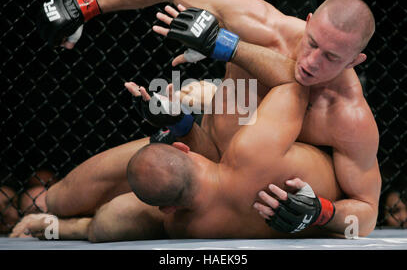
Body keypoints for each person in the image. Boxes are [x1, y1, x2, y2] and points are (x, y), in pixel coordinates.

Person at [36, 0, 380, 236]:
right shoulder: (263, 27)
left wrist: (322, 212)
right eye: (312, 42)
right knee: (58, 198)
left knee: (116, 218)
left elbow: (366, 213)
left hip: (238, 200)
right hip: (195, 154)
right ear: (307, 22)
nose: (312, 61)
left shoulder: (348, 117)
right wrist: (82, 6)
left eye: (332, 57)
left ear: (355, 61)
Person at [11, 79, 342, 241]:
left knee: (111, 211)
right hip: (312, 183)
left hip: (233, 153)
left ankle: (54, 221)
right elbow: (295, 84)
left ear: (166, 209)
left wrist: (183, 123)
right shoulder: (253, 148)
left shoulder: (183, 224)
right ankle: (57, 221)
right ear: (185, 151)